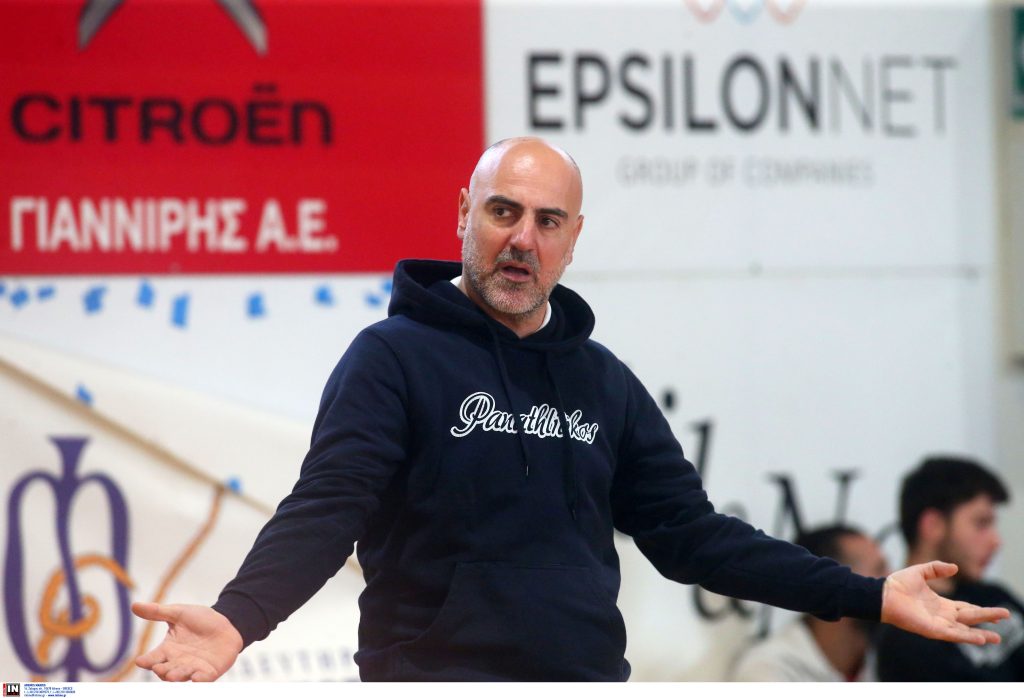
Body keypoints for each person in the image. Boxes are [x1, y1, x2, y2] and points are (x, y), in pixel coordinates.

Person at [132, 137, 1009, 682]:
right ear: (463, 214)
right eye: (503, 212)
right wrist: (240, 618)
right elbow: (328, 510)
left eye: (549, 221)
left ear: (573, 238)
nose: (524, 239)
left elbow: (695, 537)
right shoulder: (392, 358)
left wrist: (866, 595)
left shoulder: (603, 382)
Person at [876, 456, 1024, 681]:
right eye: (981, 523)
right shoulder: (903, 635)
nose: (996, 541)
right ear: (933, 525)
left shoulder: (994, 595)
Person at [729, 525, 890, 681]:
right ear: (833, 588)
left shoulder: (881, 660)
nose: (890, 580)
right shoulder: (768, 669)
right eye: (879, 570)